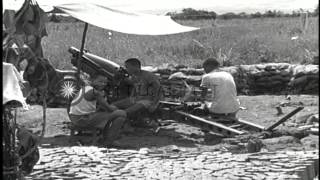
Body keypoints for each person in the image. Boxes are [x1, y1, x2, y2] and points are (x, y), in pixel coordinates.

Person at [69, 74, 126, 145]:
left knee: (108, 116)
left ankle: (106, 137)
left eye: (105, 82)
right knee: (121, 114)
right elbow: (108, 108)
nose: (103, 84)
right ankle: (109, 141)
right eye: (100, 81)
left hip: (74, 118)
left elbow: (99, 107)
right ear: (92, 81)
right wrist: (116, 107)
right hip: (83, 119)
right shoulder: (95, 92)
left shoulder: (85, 88)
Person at [113, 58, 162, 124]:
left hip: (147, 100)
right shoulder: (134, 76)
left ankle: (122, 123)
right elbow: (134, 87)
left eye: (127, 67)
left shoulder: (149, 76)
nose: (126, 69)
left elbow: (158, 90)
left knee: (126, 111)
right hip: (136, 99)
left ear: (135, 67)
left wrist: (154, 104)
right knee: (113, 105)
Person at [199, 58, 240, 122]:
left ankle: (213, 116)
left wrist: (202, 100)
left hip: (218, 109)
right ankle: (229, 115)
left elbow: (203, 93)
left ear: (209, 66)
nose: (204, 70)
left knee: (205, 103)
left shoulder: (206, 76)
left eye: (204, 68)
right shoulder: (228, 74)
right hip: (235, 108)